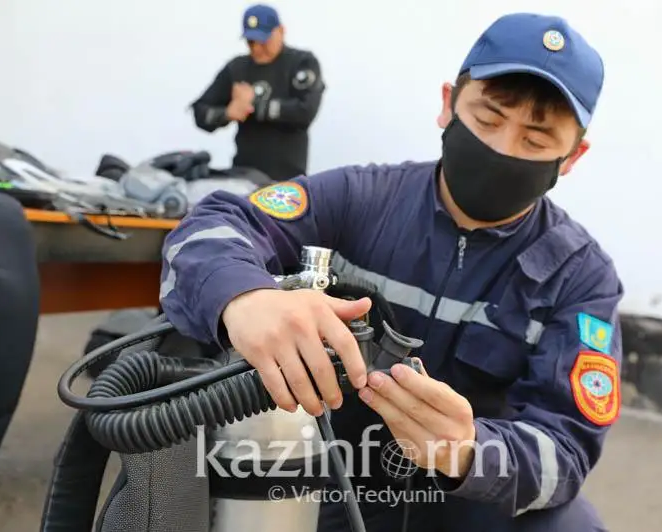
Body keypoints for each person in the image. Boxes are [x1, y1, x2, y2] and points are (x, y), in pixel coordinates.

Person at [162, 12, 621, 532]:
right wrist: (243, 299)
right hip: (331, 479)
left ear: (572, 156)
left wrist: (470, 450)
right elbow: (214, 225)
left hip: (466, 499)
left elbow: (566, 450)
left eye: (536, 141)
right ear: (447, 104)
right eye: (489, 120)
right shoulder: (361, 198)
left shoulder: (580, 276)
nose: (502, 149)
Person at [189, 4, 325, 182]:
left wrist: (255, 105)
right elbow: (200, 111)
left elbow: (305, 111)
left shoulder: (302, 63)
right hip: (243, 178)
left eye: (264, 41)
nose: (257, 48)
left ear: (281, 31)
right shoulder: (237, 68)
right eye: (251, 42)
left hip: (287, 181)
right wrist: (227, 113)